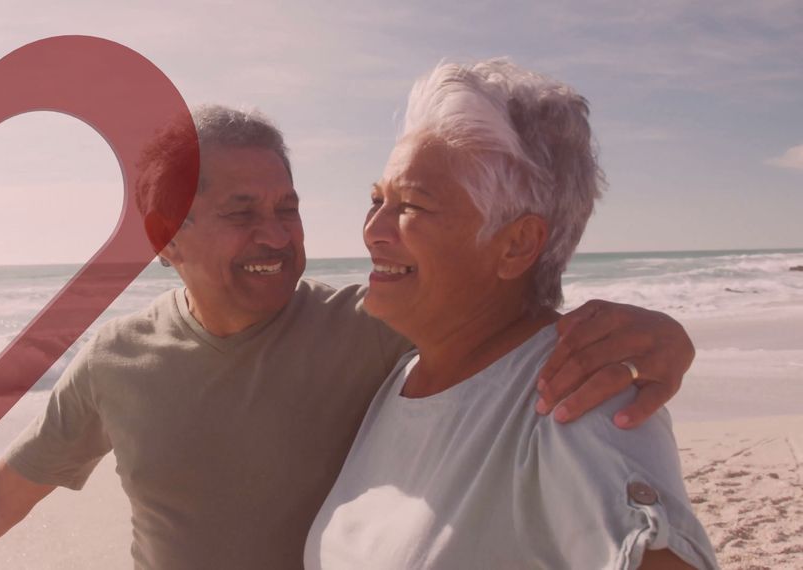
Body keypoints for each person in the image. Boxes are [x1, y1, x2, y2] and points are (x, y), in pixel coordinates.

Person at [0, 105, 698, 570]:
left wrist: (662, 335)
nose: (276, 235)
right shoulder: (116, 362)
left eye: (287, 208)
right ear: (165, 240)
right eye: (241, 213)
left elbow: (500, 320)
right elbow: (3, 495)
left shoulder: (369, 327)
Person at [304, 60, 717, 569]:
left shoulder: (575, 399)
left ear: (517, 245)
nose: (373, 229)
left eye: (411, 204)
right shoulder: (406, 373)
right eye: (377, 198)